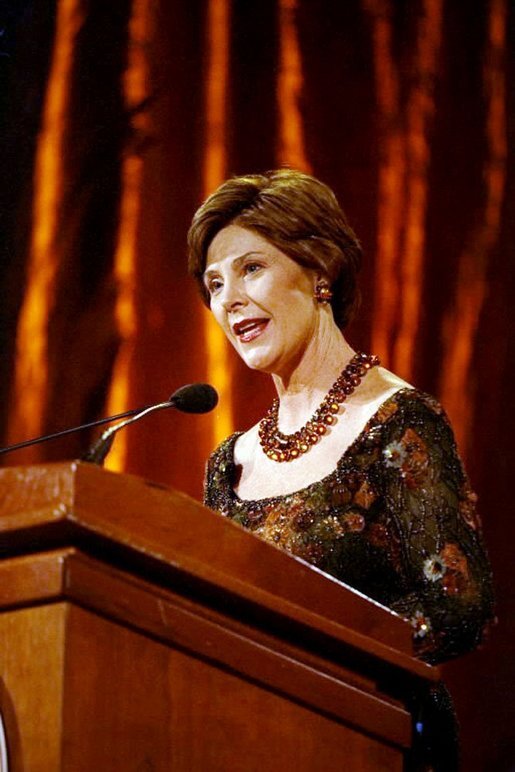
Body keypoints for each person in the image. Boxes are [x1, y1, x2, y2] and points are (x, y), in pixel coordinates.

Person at [187, 168, 494, 769]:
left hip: (379, 743)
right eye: (214, 283)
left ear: (319, 270)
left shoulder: (398, 423)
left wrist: (306, 655)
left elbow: (460, 608)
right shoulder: (230, 465)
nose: (229, 299)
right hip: (256, 742)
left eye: (252, 268)